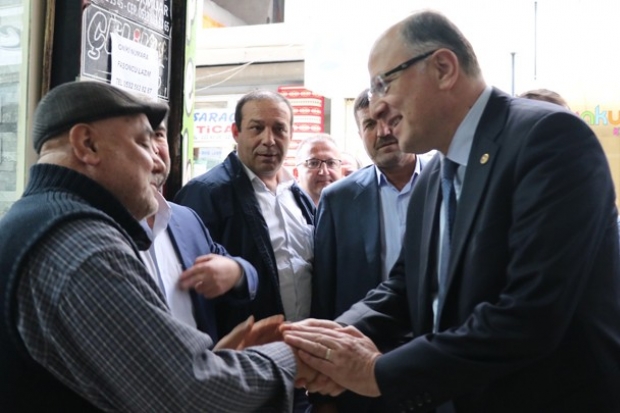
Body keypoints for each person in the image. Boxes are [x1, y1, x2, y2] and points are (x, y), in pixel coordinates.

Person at [284, 10, 620, 413]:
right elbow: (404, 288)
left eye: (383, 83)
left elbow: (530, 314)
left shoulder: (548, 138)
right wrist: (325, 341)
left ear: (443, 68)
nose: (377, 107)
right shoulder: (433, 176)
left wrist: (378, 373)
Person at [0, 81, 314, 412]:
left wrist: (215, 358)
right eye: (142, 142)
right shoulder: (82, 245)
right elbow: (190, 393)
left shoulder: (40, 217)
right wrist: (292, 355)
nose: (156, 160)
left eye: (158, 140)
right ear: (87, 144)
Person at [174, 89, 315, 412]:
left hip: (300, 367)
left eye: (279, 129)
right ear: (236, 132)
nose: (269, 140)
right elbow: (188, 290)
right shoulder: (205, 194)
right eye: (257, 128)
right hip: (242, 371)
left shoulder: (298, 196)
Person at [310, 88, 427, 412]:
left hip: (437, 360)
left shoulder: (446, 179)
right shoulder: (338, 199)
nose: (383, 131)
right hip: (360, 361)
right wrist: (323, 396)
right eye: (370, 124)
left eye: (391, 119)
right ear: (360, 134)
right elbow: (325, 295)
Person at [140, 120, 259, 342]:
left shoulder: (186, 218)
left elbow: (248, 274)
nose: (154, 149)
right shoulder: (96, 229)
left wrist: (235, 272)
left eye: (158, 135)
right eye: (140, 138)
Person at [293, 133, 344, 206]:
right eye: (314, 163)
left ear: (341, 171)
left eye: (331, 163)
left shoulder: (351, 207)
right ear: (296, 173)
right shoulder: (285, 208)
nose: (324, 172)